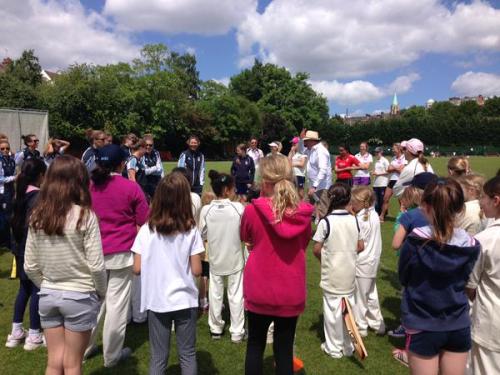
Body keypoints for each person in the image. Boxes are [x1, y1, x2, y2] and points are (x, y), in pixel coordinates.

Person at [24, 156, 107, 374]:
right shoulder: (86, 216)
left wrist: (48, 285)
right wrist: (101, 292)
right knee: (72, 365)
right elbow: (97, 266)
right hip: (79, 295)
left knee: (54, 363)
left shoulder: (37, 216)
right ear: (79, 181)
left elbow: (30, 266)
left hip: (49, 296)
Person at [398, 178, 480, 375]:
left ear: (424, 206)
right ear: (460, 208)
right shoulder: (472, 244)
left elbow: (404, 276)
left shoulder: (416, 240)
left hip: (422, 322)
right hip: (457, 322)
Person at [241, 155, 314, 374]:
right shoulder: (302, 214)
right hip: (290, 288)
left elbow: (246, 237)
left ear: (264, 180)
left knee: (255, 344)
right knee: (283, 349)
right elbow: (304, 242)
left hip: (259, 287)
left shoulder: (252, 211)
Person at [132, 172, 203, 375]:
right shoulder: (191, 231)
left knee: (158, 356)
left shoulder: (146, 230)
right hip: (185, 299)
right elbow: (197, 270)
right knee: (188, 354)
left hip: (157, 301)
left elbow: (136, 269)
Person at [85, 144, 149, 367]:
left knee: (94, 302)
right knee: (117, 305)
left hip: (93, 252)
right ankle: (111, 355)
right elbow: (144, 219)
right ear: (122, 163)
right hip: (121, 251)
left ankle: (84, 346)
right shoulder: (130, 188)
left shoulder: (88, 186)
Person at [313, 183, 364, 358]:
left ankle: (333, 348)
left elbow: (316, 249)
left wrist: (326, 260)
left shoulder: (325, 222)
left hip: (332, 273)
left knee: (332, 310)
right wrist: (347, 255)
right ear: (348, 199)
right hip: (349, 271)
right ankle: (348, 347)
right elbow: (360, 246)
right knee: (348, 309)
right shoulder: (354, 219)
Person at [200, 171, 246, 343]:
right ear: (226, 190)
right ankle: (236, 332)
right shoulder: (238, 208)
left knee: (216, 293)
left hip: (216, 258)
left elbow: (201, 234)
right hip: (233, 258)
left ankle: (216, 328)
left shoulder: (207, 209)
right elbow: (244, 232)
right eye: (233, 188)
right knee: (235, 294)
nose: (235, 190)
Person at [5, 159, 46, 350]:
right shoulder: (37, 197)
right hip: (31, 248)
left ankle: (17, 330)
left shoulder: (19, 194)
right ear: (40, 176)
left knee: (24, 289)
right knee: (36, 289)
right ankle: (35, 333)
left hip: (19, 247)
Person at [466, 176, 500, 375]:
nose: (481, 202)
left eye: (484, 197)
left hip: (491, 325)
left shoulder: (484, 239)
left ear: (495, 200)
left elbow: (470, 286)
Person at [350, 187, 385, 337]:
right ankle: (378, 323)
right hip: (373, 260)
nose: (351, 203)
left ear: (361, 202)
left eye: (354, 201)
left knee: (360, 297)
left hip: (363, 261)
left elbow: (358, 244)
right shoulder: (374, 214)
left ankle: (361, 326)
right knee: (371, 293)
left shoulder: (360, 219)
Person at [299, 129, 332, 219]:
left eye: (306, 140)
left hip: (322, 186)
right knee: (305, 207)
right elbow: (301, 151)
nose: (305, 142)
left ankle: (324, 231)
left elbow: (323, 170)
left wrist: (314, 186)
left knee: (323, 211)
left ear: (312, 141)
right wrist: (301, 140)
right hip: (313, 185)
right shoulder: (310, 150)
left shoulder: (321, 151)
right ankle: (307, 229)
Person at [198, 191, 216, 312]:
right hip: (207, 243)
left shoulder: (203, 210)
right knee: (206, 273)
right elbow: (203, 229)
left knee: (206, 273)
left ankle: (205, 298)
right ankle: (203, 299)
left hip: (206, 243)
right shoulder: (208, 210)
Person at [380, 143, 406, 221]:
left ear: (399, 149)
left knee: (401, 202)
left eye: (394, 149)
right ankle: (382, 216)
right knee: (385, 199)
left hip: (401, 181)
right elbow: (388, 169)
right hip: (392, 180)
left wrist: (394, 168)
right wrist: (396, 168)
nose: (392, 150)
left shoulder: (405, 158)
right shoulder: (393, 158)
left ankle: (403, 217)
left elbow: (402, 171)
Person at [0, 139, 16, 248]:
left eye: (7, 148)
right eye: (2, 149)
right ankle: (6, 242)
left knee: (9, 216)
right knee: (5, 218)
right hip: (2, 192)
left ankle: (7, 240)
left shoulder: (11, 160)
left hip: (11, 190)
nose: (5, 150)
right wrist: (14, 178)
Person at [141, 134, 164, 199]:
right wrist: (155, 168)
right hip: (145, 184)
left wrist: (150, 169)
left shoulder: (156, 153)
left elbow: (160, 170)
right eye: (146, 145)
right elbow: (144, 171)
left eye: (150, 145)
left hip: (156, 183)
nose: (148, 147)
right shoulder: (141, 153)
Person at [371, 147, 389, 216]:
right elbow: (377, 171)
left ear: (381, 152)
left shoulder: (385, 160)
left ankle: (383, 214)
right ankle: (377, 214)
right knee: (376, 200)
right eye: (375, 152)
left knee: (382, 200)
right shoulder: (376, 161)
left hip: (383, 183)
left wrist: (378, 174)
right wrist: (373, 172)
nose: (376, 154)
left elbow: (388, 172)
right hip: (376, 184)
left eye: (377, 152)